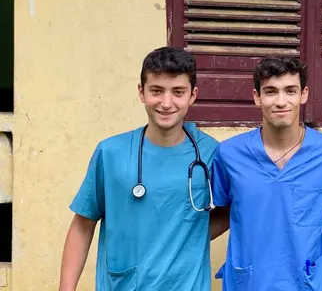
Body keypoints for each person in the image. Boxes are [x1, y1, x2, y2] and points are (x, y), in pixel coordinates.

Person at [58, 46, 220, 291]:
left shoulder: (211, 154)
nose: (167, 103)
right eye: (156, 91)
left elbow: (233, 209)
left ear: (193, 95)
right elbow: (83, 225)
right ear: (141, 92)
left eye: (178, 92)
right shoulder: (111, 152)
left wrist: (188, 236)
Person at [210, 56, 322, 290]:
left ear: (304, 94)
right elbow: (223, 210)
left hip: (307, 282)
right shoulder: (229, 154)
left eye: (290, 91)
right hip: (250, 282)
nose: (281, 101)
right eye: (271, 91)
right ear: (257, 97)